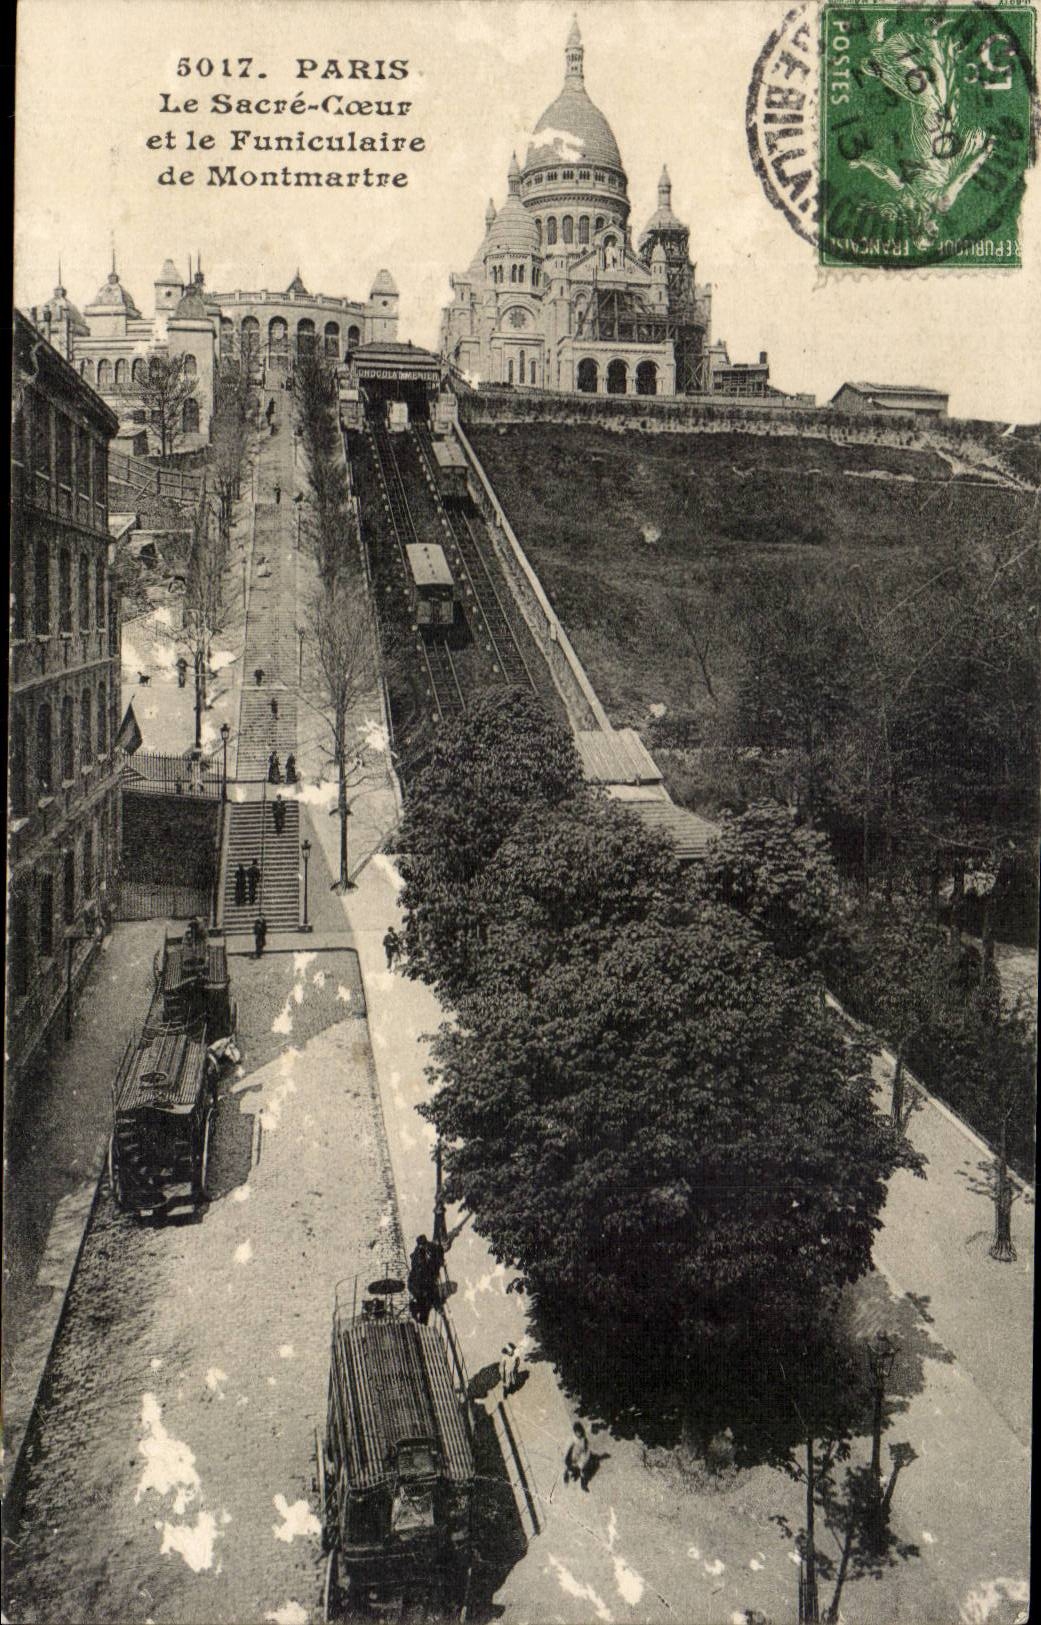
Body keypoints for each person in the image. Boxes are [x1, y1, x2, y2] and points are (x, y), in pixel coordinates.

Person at [564, 1422, 593, 1491]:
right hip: (571, 1458)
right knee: (568, 1470)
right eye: (577, 1432)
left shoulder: (583, 1438)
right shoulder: (572, 1440)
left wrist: (583, 1460)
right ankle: (566, 1480)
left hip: (580, 1458)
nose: (579, 1433)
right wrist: (568, 1461)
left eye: (580, 1431)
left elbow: (585, 1450)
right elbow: (566, 1451)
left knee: (583, 1470)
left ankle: (583, 1485)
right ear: (575, 1432)